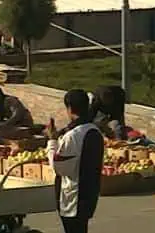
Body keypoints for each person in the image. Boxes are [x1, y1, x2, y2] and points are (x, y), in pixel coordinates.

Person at [46, 89, 104, 233]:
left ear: (70, 108)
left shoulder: (73, 136)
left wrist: (52, 141)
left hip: (73, 197)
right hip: (89, 193)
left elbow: (59, 167)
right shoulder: (94, 131)